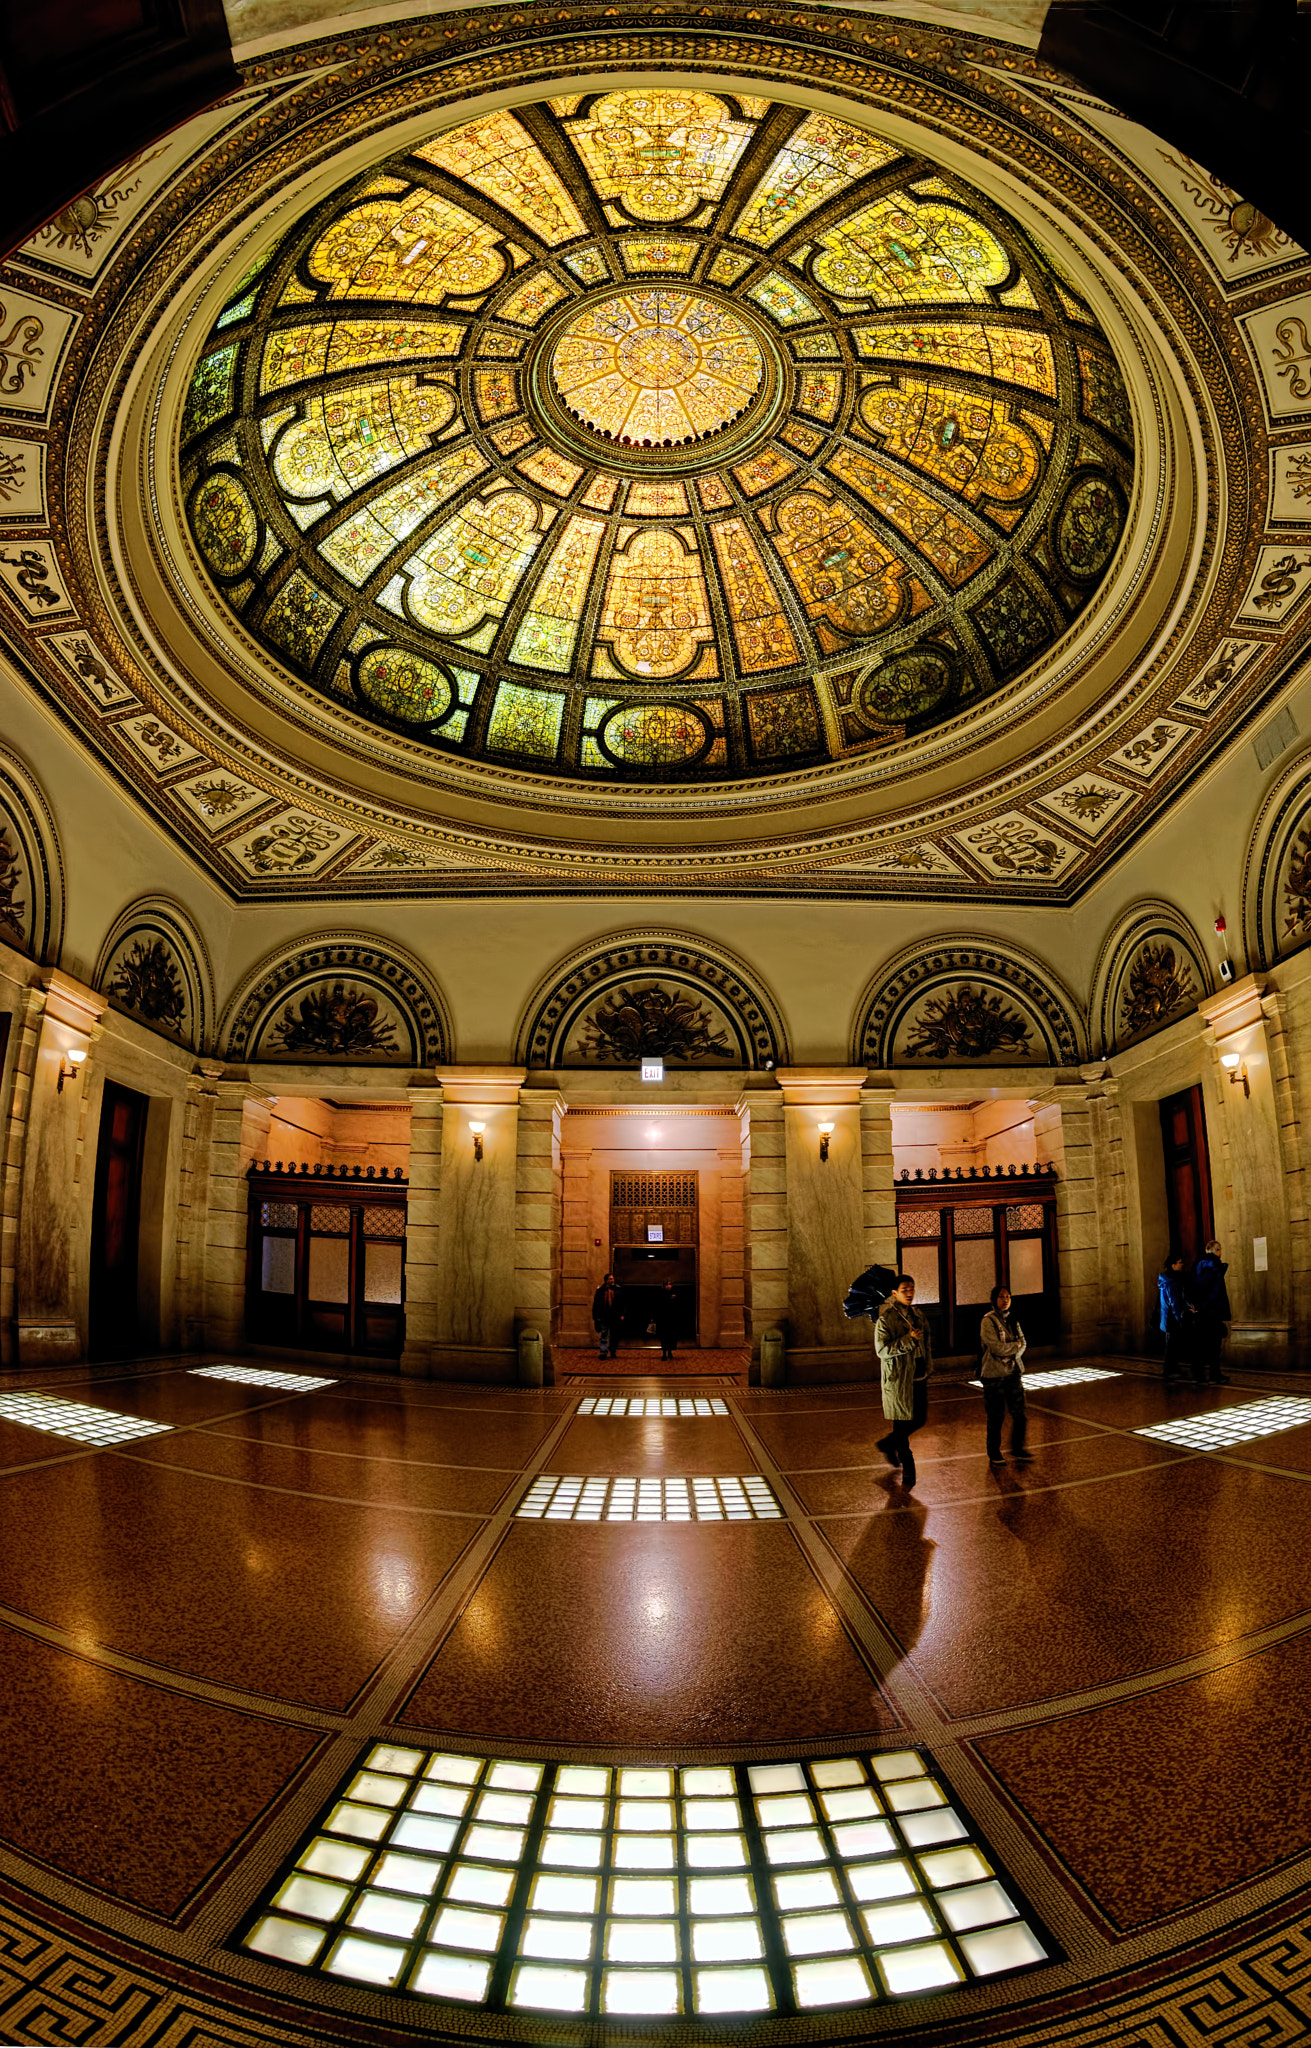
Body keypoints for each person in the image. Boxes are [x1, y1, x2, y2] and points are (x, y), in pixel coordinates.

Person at [874, 1273, 932, 1488]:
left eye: (912, 1288)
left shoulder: (918, 1315)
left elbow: (926, 1344)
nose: (909, 1293)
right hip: (899, 1379)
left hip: (919, 1375)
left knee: (919, 1419)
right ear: (894, 1293)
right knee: (901, 1426)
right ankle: (908, 1468)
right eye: (905, 1289)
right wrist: (909, 1339)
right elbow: (882, 1351)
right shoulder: (886, 1320)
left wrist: (928, 1365)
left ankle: (887, 1444)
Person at [980, 1283, 1030, 1463]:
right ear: (994, 1300)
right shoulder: (988, 1321)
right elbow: (996, 1347)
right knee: (996, 1416)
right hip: (994, 1376)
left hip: (1013, 1373)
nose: (1005, 1300)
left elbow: (1023, 1343)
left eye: (1008, 1296)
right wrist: (1013, 1347)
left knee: (1019, 1412)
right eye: (1001, 1297)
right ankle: (993, 1452)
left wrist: (1014, 1348)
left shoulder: (1013, 1320)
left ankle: (1018, 1448)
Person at [1191, 1239, 1232, 1384]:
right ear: (1217, 1251)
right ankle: (1215, 1374)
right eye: (1220, 1250)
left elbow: (1190, 1288)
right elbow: (1215, 1291)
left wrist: (1195, 1306)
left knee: (1200, 1344)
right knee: (1214, 1345)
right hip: (1212, 1312)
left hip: (1199, 1312)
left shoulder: (1196, 1266)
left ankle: (1199, 1375)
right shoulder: (1215, 1267)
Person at [1158, 1249, 1194, 1386]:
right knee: (1172, 1346)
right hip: (1172, 1319)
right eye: (1179, 1263)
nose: (1182, 1264)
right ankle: (1168, 1370)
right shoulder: (1172, 1282)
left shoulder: (1168, 1280)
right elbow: (1175, 1302)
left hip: (1168, 1318)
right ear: (1173, 1265)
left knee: (1172, 1345)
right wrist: (1181, 1318)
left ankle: (1173, 1368)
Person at [592, 1272, 621, 1359]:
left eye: (612, 1279)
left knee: (614, 1335)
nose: (611, 1280)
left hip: (615, 1316)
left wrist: (622, 1314)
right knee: (604, 1334)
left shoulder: (618, 1290)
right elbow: (596, 1304)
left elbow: (622, 1303)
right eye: (610, 1279)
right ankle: (603, 1352)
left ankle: (613, 1351)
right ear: (606, 1280)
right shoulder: (600, 1291)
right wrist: (596, 1316)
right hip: (604, 1316)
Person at [655, 1279, 679, 1361]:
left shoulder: (674, 1293)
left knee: (671, 1336)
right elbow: (658, 1306)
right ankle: (664, 1352)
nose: (669, 1286)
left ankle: (669, 1351)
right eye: (668, 1284)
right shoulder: (661, 1294)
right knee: (664, 1337)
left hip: (671, 1319)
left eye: (670, 1284)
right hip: (663, 1319)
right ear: (664, 1285)